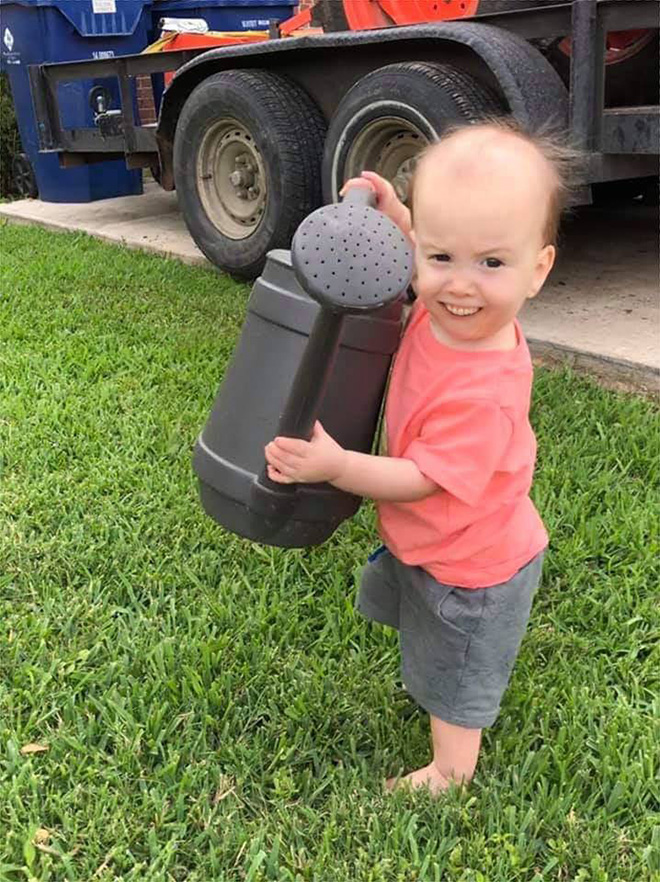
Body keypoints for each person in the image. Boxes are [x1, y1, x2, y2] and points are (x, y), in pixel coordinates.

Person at [264, 118, 579, 795]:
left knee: (455, 674)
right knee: (416, 618)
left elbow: (420, 480)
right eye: (439, 258)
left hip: (474, 570)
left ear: (538, 270)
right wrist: (400, 217)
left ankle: (450, 770)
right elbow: (434, 251)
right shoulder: (451, 316)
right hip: (435, 546)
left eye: (491, 263)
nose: (459, 286)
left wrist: (336, 467)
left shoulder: (485, 394)